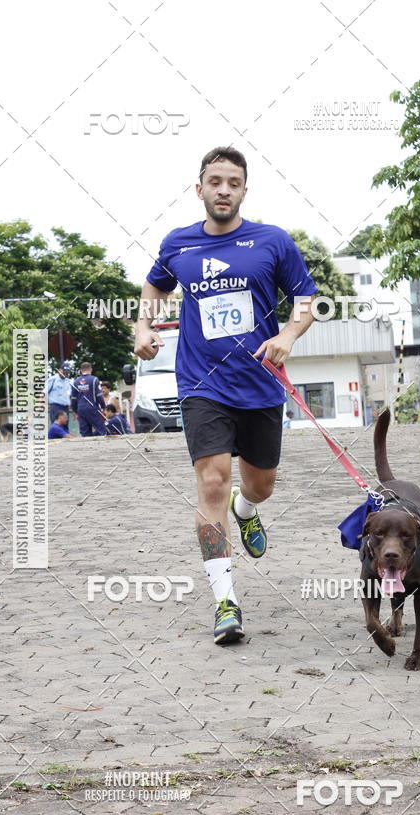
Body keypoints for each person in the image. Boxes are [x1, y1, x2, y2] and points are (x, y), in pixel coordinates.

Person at [134, 146, 316, 646]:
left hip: (258, 384)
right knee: (211, 482)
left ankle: (247, 508)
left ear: (243, 190)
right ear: (199, 188)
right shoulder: (179, 244)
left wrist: (287, 336)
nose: (223, 190)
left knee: (260, 486)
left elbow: (306, 300)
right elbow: (153, 289)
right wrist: (143, 327)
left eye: (233, 182)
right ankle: (225, 601)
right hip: (201, 384)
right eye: (214, 181)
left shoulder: (272, 242)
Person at [70, 362, 107, 437]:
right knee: (101, 431)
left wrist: (75, 411)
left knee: (85, 434)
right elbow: (99, 396)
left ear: (81, 370)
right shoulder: (94, 380)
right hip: (92, 408)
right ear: (91, 369)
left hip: (81, 409)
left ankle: (87, 448)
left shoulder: (76, 382)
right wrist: (103, 407)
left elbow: (73, 399)